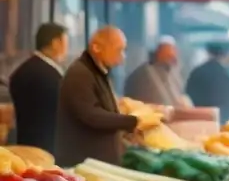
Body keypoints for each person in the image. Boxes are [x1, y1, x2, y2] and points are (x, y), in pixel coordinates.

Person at [55, 27, 160, 167]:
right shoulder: (80, 74)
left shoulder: (97, 71)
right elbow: (92, 116)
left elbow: (105, 109)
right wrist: (133, 121)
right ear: (96, 47)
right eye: (118, 50)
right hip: (84, 164)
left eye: (124, 50)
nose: (122, 56)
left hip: (100, 162)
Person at [10, 23, 69, 154]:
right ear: (55, 43)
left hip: (25, 142)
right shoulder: (48, 75)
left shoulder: (22, 70)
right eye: (65, 42)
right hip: (46, 147)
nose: (67, 49)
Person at [124, 37, 191, 107]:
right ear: (158, 52)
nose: (174, 56)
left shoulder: (172, 72)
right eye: (169, 55)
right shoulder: (144, 74)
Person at [186, 44, 229, 124]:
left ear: (208, 52)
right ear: (224, 54)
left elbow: (188, 98)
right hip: (220, 122)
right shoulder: (228, 74)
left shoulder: (197, 72)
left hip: (198, 121)